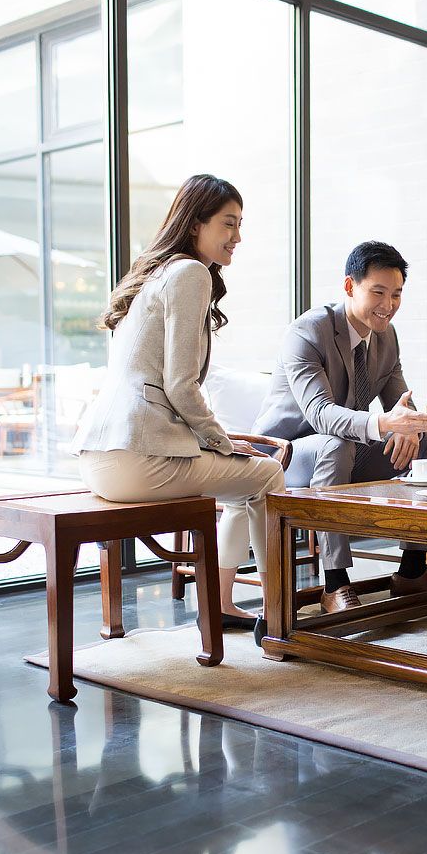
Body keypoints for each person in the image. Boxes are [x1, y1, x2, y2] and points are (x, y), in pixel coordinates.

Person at [74, 174, 285, 641]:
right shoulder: (190, 273)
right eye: (228, 224)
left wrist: (221, 442)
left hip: (100, 457)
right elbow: (180, 386)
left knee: (241, 480)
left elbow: (163, 389)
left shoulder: (154, 273)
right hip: (137, 459)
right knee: (266, 475)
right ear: (196, 225)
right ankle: (280, 612)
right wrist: (221, 440)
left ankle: (226, 604)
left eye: (240, 224)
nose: (238, 236)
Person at [253, 240, 427, 613]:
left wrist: (409, 427)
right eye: (378, 292)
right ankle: (335, 583)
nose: (388, 305)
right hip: (285, 454)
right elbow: (321, 414)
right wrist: (385, 423)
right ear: (349, 287)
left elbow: (399, 402)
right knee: (335, 444)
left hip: (345, 448)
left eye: (396, 294)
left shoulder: (386, 335)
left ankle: (411, 571)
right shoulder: (307, 332)